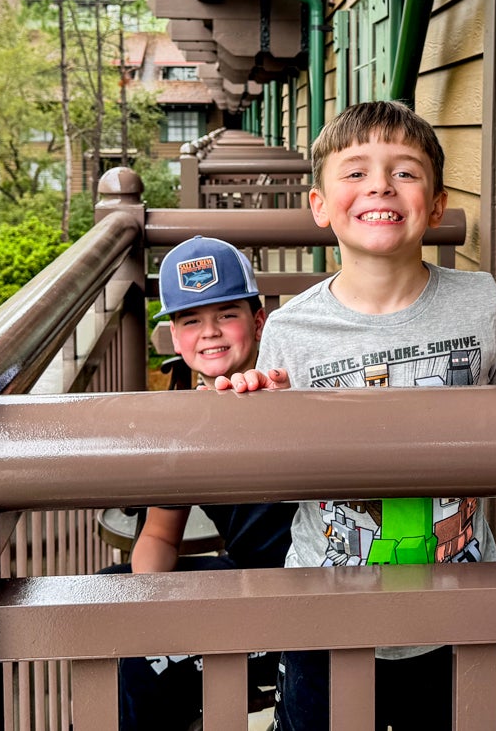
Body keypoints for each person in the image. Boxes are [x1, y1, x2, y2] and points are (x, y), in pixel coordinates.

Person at [220, 100, 496, 731]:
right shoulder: (293, 329)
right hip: (328, 616)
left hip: (459, 607)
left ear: (436, 205)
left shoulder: (479, 298)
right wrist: (258, 411)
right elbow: (272, 477)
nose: (381, 185)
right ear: (320, 206)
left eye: (405, 172)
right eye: (355, 172)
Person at [101, 235, 297, 731]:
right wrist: (150, 609)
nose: (209, 333)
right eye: (190, 320)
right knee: (112, 593)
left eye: (226, 314)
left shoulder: (293, 387)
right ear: (173, 336)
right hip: (249, 586)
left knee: (149, 662)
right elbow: (160, 536)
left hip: (310, 594)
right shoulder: (183, 425)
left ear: (259, 321)